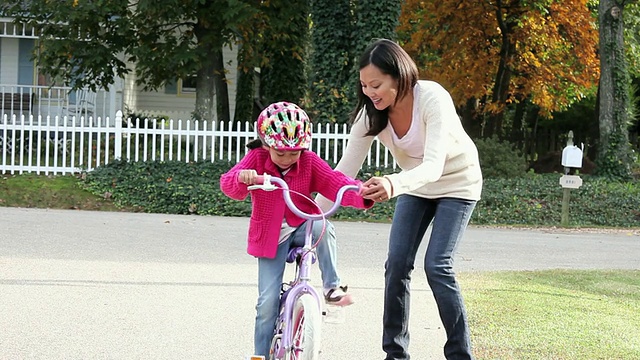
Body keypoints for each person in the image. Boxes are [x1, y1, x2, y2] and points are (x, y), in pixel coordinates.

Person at [317, 39, 483, 360]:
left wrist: (392, 184)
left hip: (458, 184)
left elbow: (433, 166)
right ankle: (395, 354)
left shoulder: (432, 98)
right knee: (396, 265)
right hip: (415, 187)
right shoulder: (370, 116)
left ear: (399, 76)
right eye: (364, 85)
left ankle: (460, 355)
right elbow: (343, 173)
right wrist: (311, 215)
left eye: (376, 84)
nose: (370, 92)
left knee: (437, 266)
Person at [219, 101, 373, 357]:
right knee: (267, 304)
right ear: (266, 145)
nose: (288, 158)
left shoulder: (309, 162)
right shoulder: (256, 158)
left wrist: (361, 193)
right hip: (271, 239)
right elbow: (228, 185)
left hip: (303, 227)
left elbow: (335, 182)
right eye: (280, 153)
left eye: (295, 152)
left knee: (323, 223)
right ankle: (260, 355)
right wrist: (242, 178)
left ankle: (331, 287)